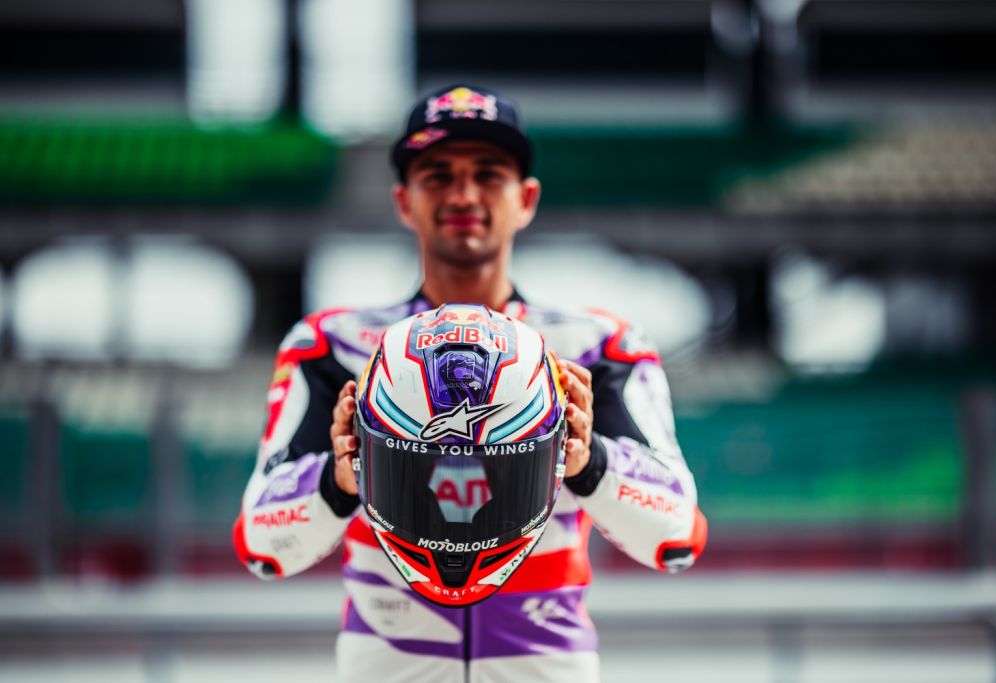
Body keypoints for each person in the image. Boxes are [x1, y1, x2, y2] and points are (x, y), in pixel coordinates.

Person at [235, 83, 708, 683]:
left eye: (488, 174)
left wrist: (591, 463)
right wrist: (339, 477)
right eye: (438, 176)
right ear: (404, 201)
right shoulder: (332, 345)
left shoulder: (599, 346)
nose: (463, 194)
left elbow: (677, 537)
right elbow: (261, 546)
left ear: (526, 198)